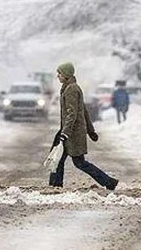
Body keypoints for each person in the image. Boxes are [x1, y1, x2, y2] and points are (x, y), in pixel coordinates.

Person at [49, 62, 119, 190]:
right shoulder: (69, 87)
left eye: (59, 73)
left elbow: (72, 113)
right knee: (60, 158)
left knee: (78, 162)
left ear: (66, 75)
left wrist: (65, 133)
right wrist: (90, 130)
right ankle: (55, 184)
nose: (57, 76)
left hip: (72, 133)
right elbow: (84, 111)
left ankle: (108, 182)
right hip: (70, 131)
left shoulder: (71, 89)